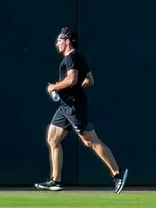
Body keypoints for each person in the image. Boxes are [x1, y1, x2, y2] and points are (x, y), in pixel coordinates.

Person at [36, 27, 127, 191]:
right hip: (65, 107)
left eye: (59, 40)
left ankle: (117, 174)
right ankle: (55, 181)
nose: (57, 43)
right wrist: (74, 89)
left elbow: (72, 80)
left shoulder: (71, 58)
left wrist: (54, 87)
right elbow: (89, 80)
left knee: (91, 141)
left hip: (73, 107)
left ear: (67, 41)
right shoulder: (79, 57)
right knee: (52, 139)